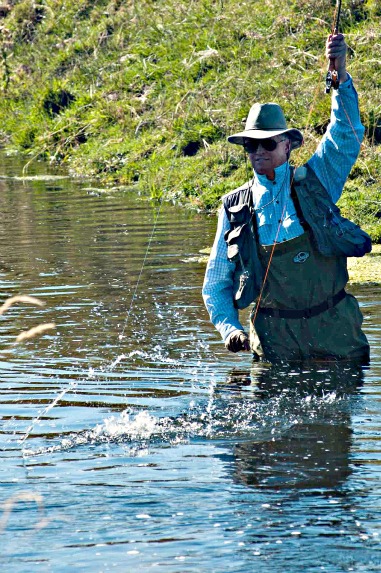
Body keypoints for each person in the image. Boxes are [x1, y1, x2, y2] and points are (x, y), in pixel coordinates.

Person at [202, 33, 371, 363]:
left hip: (336, 337)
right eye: (252, 145)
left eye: (268, 143)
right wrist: (229, 329)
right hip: (274, 346)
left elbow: (347, 135)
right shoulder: (234, 208)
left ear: (288, 145)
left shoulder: (318, 180)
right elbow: (216, 284)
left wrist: (341, 77)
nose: (259, 151)